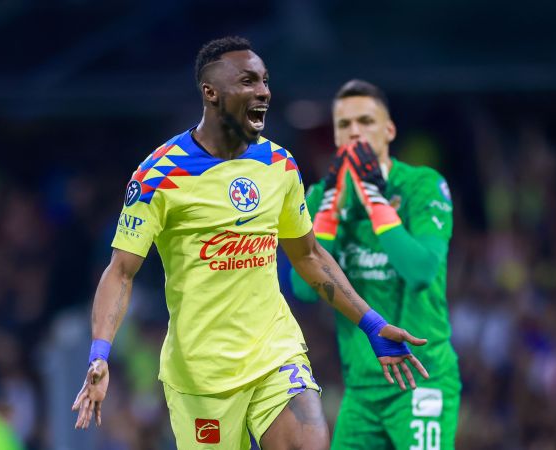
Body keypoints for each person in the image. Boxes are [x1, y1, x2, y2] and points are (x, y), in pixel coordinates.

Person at [72, 37, 429, 450]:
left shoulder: (279, 165)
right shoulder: (159, 174)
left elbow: (308, 255)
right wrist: (99, 353)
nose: (263, 91)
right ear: (211, 93)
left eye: (264, 81)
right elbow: (121, 271)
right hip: (201, 378)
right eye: (248, 81)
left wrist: (371, 323)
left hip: (274, 354)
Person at [290, 79, 461, 449]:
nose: (354, 131)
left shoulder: (422, 185)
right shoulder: (322, 196)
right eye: (344, 125)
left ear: (389, 130)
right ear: (335, 136)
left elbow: (419, 273)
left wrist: (372, 197)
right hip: (361, 389)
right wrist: (331, 209)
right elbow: (304, 287)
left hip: (421, 378)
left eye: (365, 121)